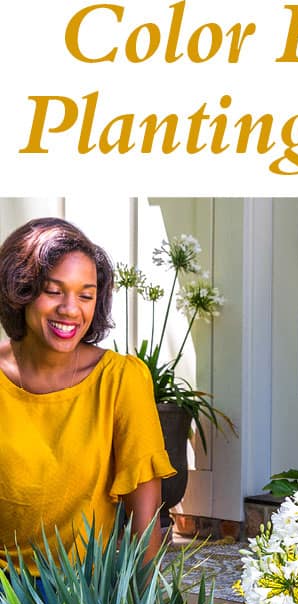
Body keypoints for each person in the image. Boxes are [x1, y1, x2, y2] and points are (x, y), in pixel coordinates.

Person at [0, 216, 176, 576]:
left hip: (84, 595)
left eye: (86, 295)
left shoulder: (120, 379)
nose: (70, 309)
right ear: (21, 290)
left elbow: (145, 509)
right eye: (53, 290)